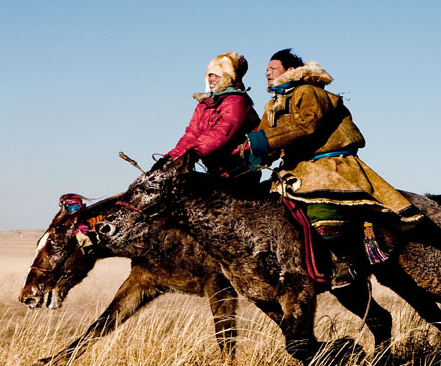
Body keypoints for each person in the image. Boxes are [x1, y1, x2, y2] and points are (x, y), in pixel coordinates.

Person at [246, 49, 422, 288]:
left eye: (272, 68)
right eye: (266, 69)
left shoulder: (309, 92)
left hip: (328, 164)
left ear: (289, 71)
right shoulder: (273, 105)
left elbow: (307, 126)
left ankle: (344, 262)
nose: (267, 72)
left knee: (322, 211)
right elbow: (268, 140)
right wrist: (251, 150)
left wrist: (259, 141)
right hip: (295, 169)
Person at [163, 52, 260, 181]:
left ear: (228, 78)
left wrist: (193, 154)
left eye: (217, 75)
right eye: (210, 74)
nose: (211, 78)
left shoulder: (237, 102)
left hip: (239, 170)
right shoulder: (204, 105)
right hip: (216, 170)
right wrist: (172, 158)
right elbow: (192, 134)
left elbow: (220, 133)